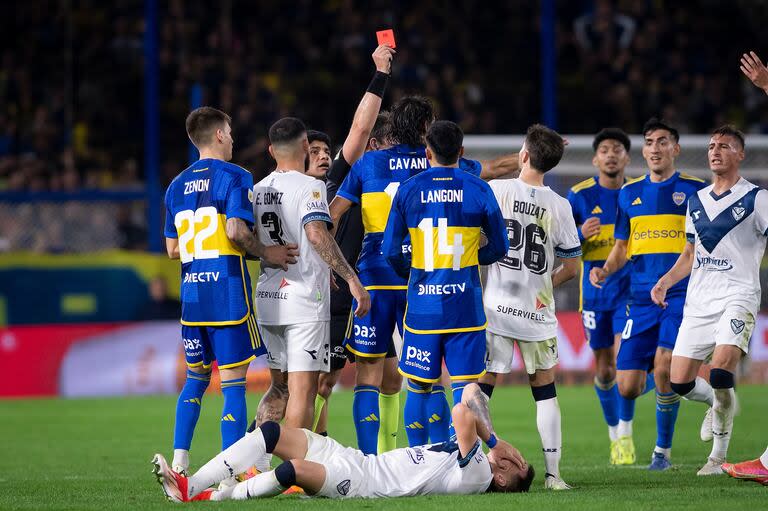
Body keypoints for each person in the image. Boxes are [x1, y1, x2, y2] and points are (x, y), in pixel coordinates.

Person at [330, 96, 519, 453]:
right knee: (429, 379)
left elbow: (333, 214)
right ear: (424, 129)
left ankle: (373, 460)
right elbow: (492, 169)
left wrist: (332, 265)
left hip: (375, 279)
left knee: (369, 377)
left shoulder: (368, 164)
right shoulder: (451, 166)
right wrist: (526, 157)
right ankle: (442, 454)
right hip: (427, 283)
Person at [163, 107, 298, 475]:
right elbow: (237, 231)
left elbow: (173, 250)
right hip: (226, 297)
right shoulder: (235, 176)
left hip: (192, 299)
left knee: (194, 381)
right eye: (232, 133)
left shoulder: (175, 186)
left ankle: (179, 463)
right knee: (234, 385)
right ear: (220, 135)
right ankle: (231, 473)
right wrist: (266, 252)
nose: (234, 140)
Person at [151, 383, 534, 502]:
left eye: (518, 464)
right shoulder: (477, 459)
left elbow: (463, 411)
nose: (513, 457)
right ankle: (190, 486)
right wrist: (497, 441)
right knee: (269, 434)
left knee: (293, 471)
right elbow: (471, 390)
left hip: (365, 485)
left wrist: (495, 441)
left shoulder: (478, 474)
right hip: (357, 460)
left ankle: (213, 498)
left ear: (503, 479)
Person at [590, 118, 707, 471]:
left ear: (676, 148)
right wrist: (605, 269)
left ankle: (662, 453)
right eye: (650, 142)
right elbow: (622, 246)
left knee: (664, 366)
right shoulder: (629, 194)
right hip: (639, 299)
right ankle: (689, 392)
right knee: (625, 385)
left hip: (680, 294)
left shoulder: (695, 191)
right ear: (643, 150)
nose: (655, 148)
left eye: (662, 141)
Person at [382, 119, 507, 442]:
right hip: (465, 305)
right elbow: (500, 246)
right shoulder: (479, 188)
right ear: (461, 152)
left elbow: (391, 251)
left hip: (424, 306)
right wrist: (471, 260)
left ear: (427, 153)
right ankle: (465, 457)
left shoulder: (409, 189)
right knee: (467, 388)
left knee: (419, 386)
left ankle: (417, 459)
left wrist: (415, 273)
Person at [651, 125, 766, 475]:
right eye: (712, 145)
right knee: (680, 381)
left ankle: (717, 457)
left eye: (725, 146)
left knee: (720, 371)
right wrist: (665, 281)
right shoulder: (696, 200)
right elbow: (689, 253)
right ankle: (717, 403)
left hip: (738, 295)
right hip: (699, 301)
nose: (715, 151)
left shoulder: (757, 198)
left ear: (740, 155)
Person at [253, 116, 371, 440]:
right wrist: (350, 277)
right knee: (303, 392)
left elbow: (246, 238)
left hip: (268, 296)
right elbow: (317, 235)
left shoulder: (259, 188)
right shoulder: (311, 186)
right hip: (303, 300)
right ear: (305, 146)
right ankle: (295, 473)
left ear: (271, 149)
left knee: (279, 387)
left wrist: (267, 253)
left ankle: (255, 466)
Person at [481, 124, 581, 490]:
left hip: (495, 309)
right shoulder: (561, 205)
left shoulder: (496, 190)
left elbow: (478, 244)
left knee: (481, 388)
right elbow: (571, 267)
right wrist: (543, 287)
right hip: (536, 313)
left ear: (523, 155)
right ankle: (554, 476)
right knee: (545, 391)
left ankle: (476, 468)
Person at [567, 128, 637, 465]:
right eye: (605, 150)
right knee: (606, 370)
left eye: (618, 149)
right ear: (595, 159)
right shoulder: (578, 197)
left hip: (633, 294)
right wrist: (579, 234)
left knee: (628, 366)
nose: (611, 155)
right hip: (594, 297)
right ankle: (615, 437)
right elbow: (558, 247)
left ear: (627, 157)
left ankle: (626, 432)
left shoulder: (638, 194)